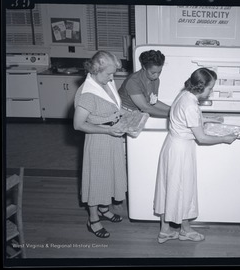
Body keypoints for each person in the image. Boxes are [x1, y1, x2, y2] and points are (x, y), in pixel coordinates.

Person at [153, 68, 238, 243]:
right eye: (210, 88)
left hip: (172, 146)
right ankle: (185, 230)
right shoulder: (191, 104)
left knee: (168, 187)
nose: (211, 91)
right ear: (201, 86)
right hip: (181, 151)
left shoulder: (184, 94)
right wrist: (224, 138)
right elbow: (202, 137)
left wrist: (208, 119)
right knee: (184, 189)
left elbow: (184, 118)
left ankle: (165, 230)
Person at [73, 51, 127, 238]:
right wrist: (107, 130)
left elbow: (112, 107)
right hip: (98, 140)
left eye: (113, 73)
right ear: (96, 69)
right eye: (109, 74)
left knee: (110, 175)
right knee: (97, 180)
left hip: (113, 137)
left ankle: (105, 209)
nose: (112, 78)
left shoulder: (106, 82)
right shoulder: (87, 93)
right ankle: (93, 218)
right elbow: (78, 124)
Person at [118, 50, 170, 118]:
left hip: (137, 113)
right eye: (153, 73)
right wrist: (173, 114)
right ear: (144, 67)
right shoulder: (133, 81)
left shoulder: (155, 80)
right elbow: (145, 108)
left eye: (159, 72)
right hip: (123, 113)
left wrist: (172, 109)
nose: (157, 76)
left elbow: (153, 102)